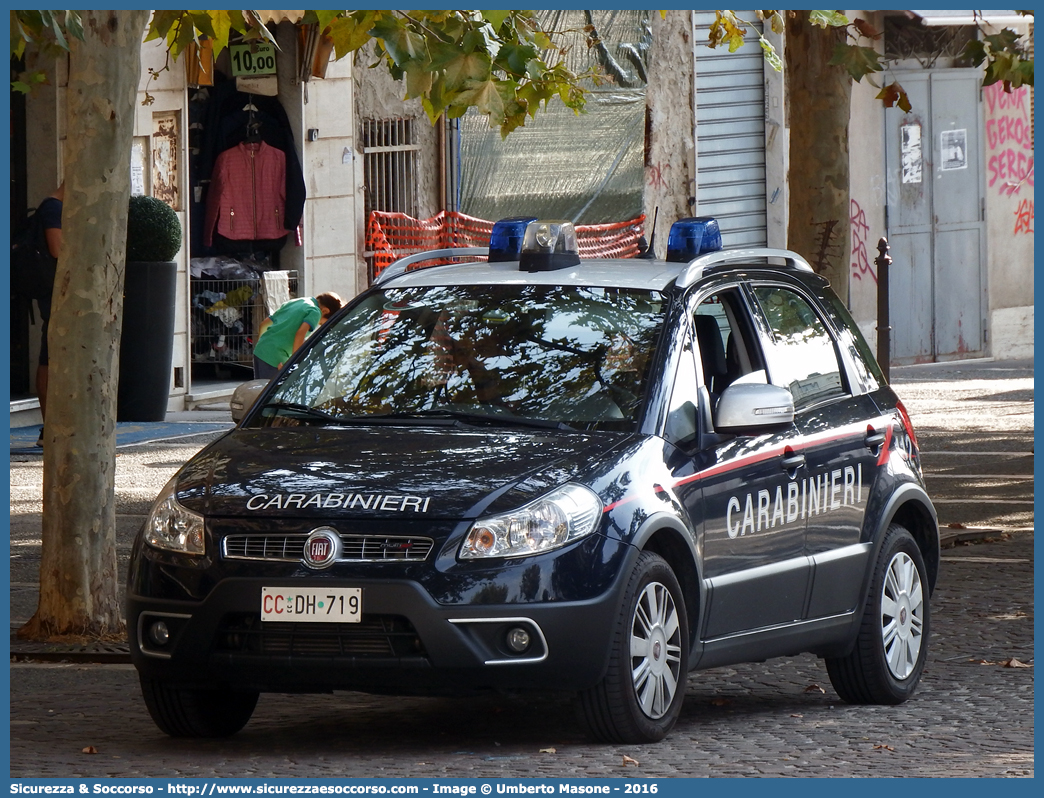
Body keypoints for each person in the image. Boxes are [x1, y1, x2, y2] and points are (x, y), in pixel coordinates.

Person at [252, 292, 343, 380]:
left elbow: (264, 324)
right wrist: (294, 363)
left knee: (260, 389)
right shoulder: (315, 311)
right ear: (325, 311)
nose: (320, 324)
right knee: (274, 392)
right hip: (275, 358)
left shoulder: (296, 302)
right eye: (322, 323)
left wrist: (263, 346)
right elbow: (300, 334)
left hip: (260, 350)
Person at [34, 182, 64, 446]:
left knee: (51, 355)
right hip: (54, 291)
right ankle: (49, 427)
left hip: (59, 290)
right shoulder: (53, 208)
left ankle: (51, 427)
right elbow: (58, 248)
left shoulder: (57, 207)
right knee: (49, 357)